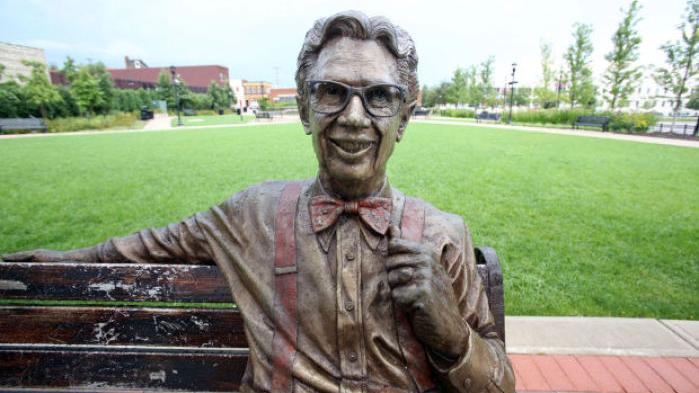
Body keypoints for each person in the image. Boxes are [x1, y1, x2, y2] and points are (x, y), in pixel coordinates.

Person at [2, 11, 514, 393]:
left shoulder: (444, 234)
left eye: (379, 96)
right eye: (331, 92)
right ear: (304, 108)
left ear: (403, 117)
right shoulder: (254, 216)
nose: (354, 117)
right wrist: (59, 265)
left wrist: (452, 337)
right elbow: (144, 248)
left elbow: (501, 382)